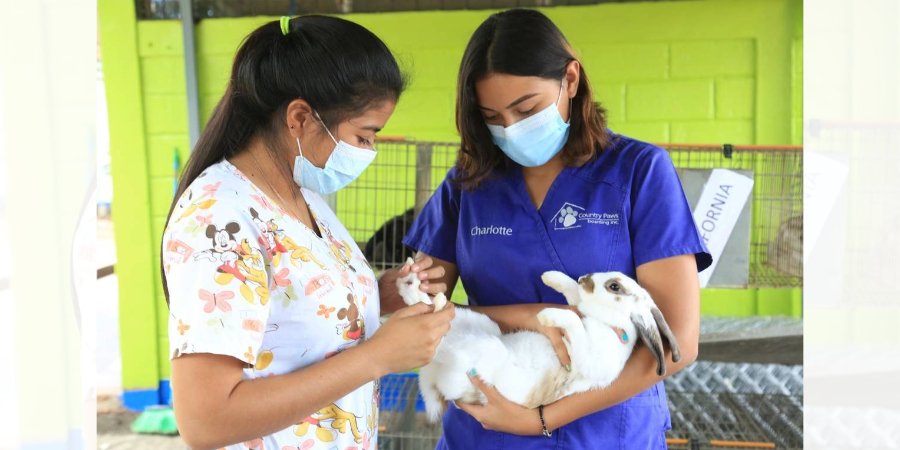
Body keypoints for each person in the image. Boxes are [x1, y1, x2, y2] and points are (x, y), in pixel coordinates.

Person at [402, 9, 712, 449]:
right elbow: (421, 315)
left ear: (570, 80)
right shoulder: (468, 183)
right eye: (492, 116)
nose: (510, 129)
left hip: (604, 430)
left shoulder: (639, 171)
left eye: (526, 109)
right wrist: (531, 317)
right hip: (486, 427)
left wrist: (541, 419)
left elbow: (677, 337)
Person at [160, 15, 453, 450]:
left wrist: (380, 294)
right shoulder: (218, 220)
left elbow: (288, 310)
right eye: (364, 135)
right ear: (300, 117)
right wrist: (378, 357)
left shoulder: (301, 197)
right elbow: (206, 421)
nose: (368, 151)